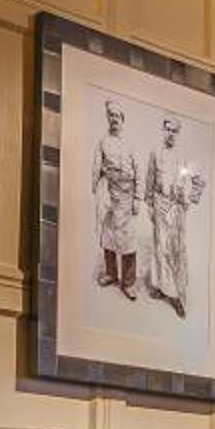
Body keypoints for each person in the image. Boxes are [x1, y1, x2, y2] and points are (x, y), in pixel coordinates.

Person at [144, 116, 203, 319]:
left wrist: (189, 201)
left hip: (176, 208)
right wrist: (150, 205)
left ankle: (177, 296)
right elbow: (149, 180)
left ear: (179, 133)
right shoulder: (155, 152)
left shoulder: (185, 155)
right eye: (167, 129)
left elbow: (199, 181)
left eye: (174, 130)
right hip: (159, 204)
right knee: (160, 248)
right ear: (163, 130)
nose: (170, 133)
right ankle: (160, 287)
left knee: (176, 251)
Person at [90, 101, 142, 296]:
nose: (114, 119)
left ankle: (128, 283)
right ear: (107, 118)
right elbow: (96, 167)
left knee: (128, 239)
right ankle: (111, 273)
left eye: (117, 115)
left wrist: (137, 199)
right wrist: (97, 190)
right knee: (108, 235)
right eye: (110, 115)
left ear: (122, 119)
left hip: (127, 196)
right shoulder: (102, 142)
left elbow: (139, 172)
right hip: (109, 195)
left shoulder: (131, 143)